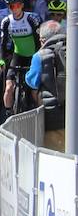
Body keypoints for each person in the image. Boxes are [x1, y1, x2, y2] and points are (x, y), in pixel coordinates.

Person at [0, 0, 42, 115]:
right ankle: (7, 114)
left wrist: (38, 58)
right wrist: (1, 59)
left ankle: (43, 114)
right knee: (9, 87)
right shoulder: (6, 21)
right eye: (12, 6)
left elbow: (39, 40)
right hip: (18, 55)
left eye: (17, 5)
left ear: (22, 5)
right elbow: (3, 43)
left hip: (34, 55)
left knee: (35, 90)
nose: (15, 9)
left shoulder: (32, 19)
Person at [27, 20, 67, 151]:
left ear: (43, 40)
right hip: (74, 113)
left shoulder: (40, 56)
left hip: (53, 116)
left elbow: (32, 81)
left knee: (56, 156)